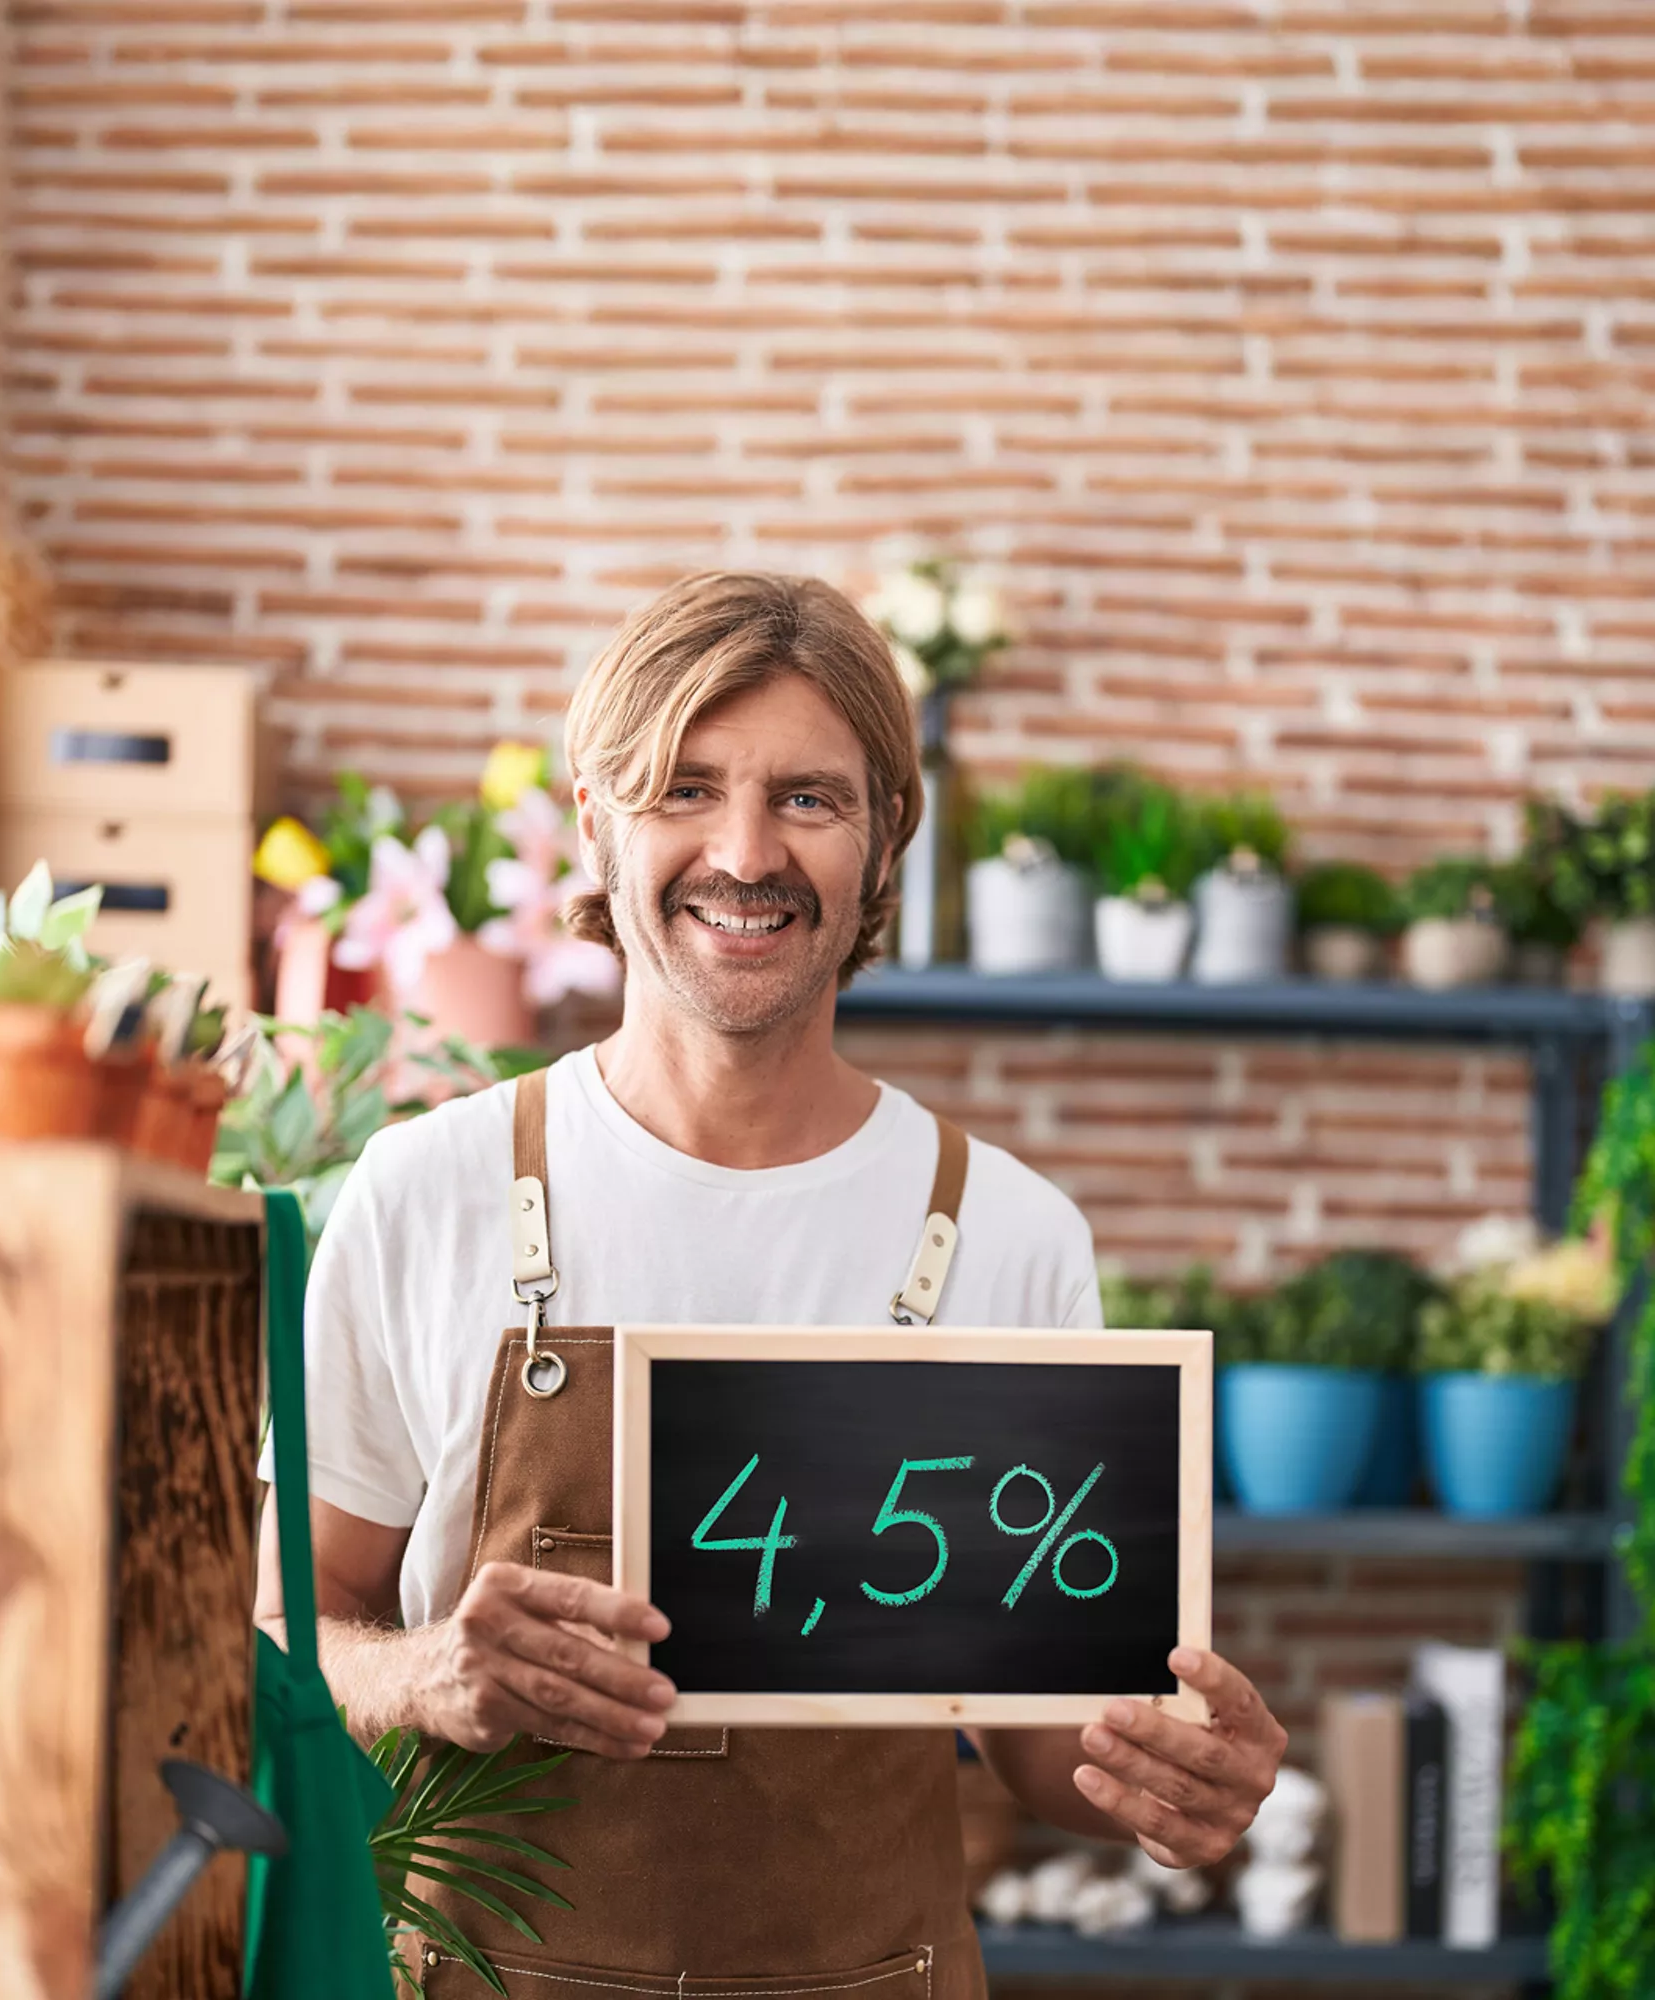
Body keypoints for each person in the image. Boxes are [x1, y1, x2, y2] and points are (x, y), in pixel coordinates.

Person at [253, 572, 1285, 1998]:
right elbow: (277, 1631)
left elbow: (1043, 1732)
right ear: (596, 821)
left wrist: (1168, 1779)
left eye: (808, 799)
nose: (745, 854)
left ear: (884, 838)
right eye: (685, 790)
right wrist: (424, 1672)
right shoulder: (429, 1190)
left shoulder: (1008, 1234)